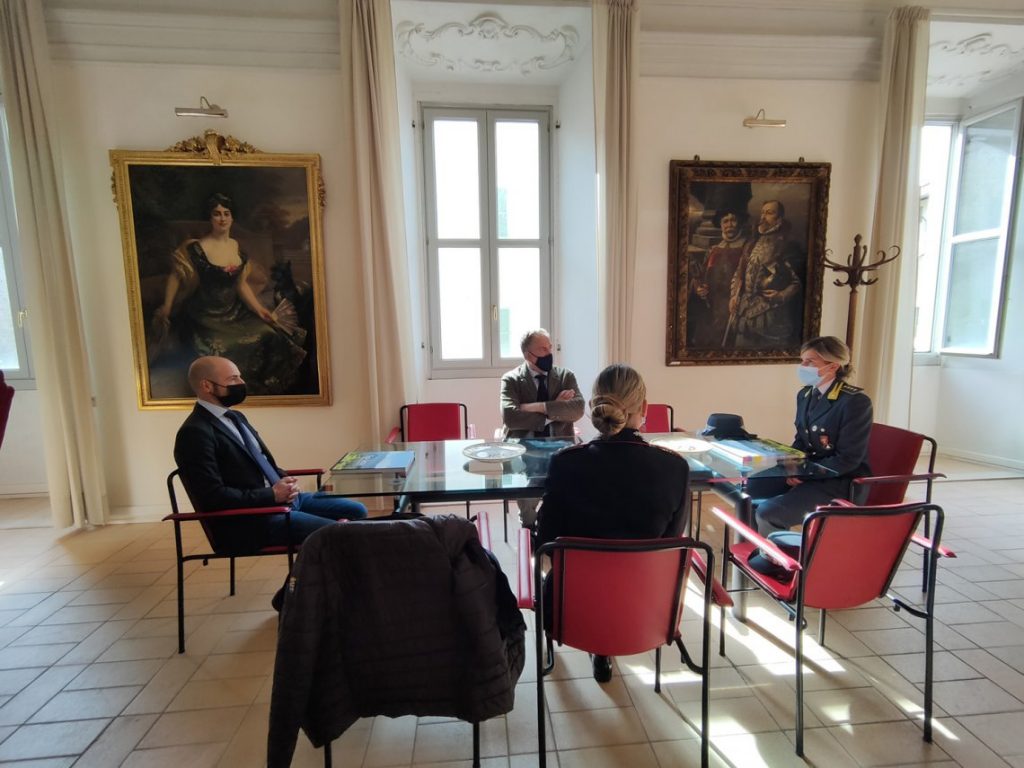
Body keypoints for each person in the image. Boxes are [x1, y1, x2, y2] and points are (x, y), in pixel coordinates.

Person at [535, 364, 691, 683]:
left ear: (594, 406)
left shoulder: (566, 464)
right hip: (648, 611)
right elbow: (672, 541)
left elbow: (545, 542)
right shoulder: (675, 468)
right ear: (644, 408)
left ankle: (600, 649)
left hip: (571, 611)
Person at [174, 355, 367, 555]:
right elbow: (212, 496)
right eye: (232, 379)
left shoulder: (236, 417)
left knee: (356, 511)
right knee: (338, 534)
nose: (241, 383)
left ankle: (335, 561)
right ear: (206, 386)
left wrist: (284, 480)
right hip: (253, 520)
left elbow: (256, 460)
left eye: (240, 377)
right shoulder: (194, 432)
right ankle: (328, 568)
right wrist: (272, 495)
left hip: (283, 501)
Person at [152, 193, 306, 394]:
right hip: (204, 314)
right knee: (222, 347)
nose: (222, 218)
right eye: (217, 214)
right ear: (210, 218)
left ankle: (258, 390)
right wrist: (167, 305)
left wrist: (260, 310)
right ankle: (227, 391)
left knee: (268, 333)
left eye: (226, 213)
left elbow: (241, 285)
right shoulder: (196, 248)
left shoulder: (236, 247)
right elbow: (176, 276)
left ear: (232, 218)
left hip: (235, 311)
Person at [750, 336, 873, 535]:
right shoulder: (805, 395)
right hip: (809, 472)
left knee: (768, 513)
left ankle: (777, 553)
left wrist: (805, 474)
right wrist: (791, 467)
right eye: (802, 361)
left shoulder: (854, 402)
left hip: (839, 481)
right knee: (751, 488)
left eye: (810, 362)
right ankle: (754, 544)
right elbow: (801, 440)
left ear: (833, 366)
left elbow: (848, 459)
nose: (803, 366)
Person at [500, 329, 585, 528]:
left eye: (550, 348)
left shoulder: (565, 376)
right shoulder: (511, 379)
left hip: (559, 445)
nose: (549, 353)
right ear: (528, 355)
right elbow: (511, 417)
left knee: (568, 488)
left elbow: (577, 409)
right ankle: (530, 527)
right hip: (523, 447)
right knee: (531, 487)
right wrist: (556, 408)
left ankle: (546, 523)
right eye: (543, 349)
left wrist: (537, 406)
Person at [727, 200, 804, 349]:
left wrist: (780, 295)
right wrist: (734, 295)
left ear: (779, 218)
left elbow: (797, 282)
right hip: (744, 313)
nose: (763, 217)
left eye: (769, 213)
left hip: (771, 314)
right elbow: (739, 273)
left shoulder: (788, 245)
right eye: (763, 212)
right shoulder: (751, 243)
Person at [689, 208, 751, 347]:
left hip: (734, 305)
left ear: (740, 222)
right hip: (711, 306)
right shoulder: (714, 250)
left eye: (733, 220)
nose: (729, 225)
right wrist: (700, 289)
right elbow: (702, 276)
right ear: (721, 225)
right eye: (725, 221)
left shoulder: (748, 249)